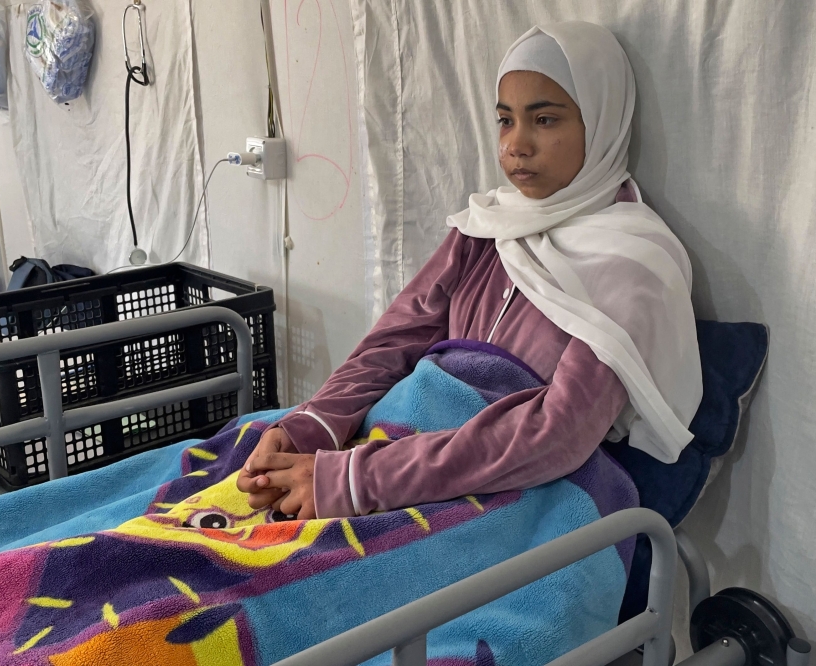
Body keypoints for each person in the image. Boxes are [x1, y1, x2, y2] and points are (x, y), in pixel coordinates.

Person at [236, 21, 702, 520]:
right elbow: (394, 340)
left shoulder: (632, 263)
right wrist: (306, 428)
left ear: (602, 121)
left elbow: (558, 432)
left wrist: (356, 479)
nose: (516, 145)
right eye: (506, 120)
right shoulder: (486, 226)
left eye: (545, 120)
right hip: (400, 445)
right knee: (205, 496)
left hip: (501, 491)